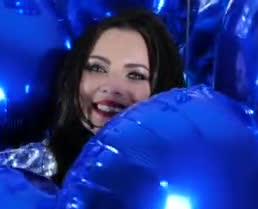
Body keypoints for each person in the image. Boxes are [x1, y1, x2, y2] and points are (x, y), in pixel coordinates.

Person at [47, 8, 185, 185]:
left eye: (136, 75)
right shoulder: (34, 170)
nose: (111, 87)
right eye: (97, 68)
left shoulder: (178, 185)